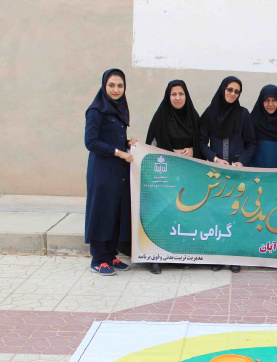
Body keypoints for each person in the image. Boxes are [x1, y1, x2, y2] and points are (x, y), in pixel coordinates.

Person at [200, 76, 256, 273]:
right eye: (230, 89)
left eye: (236, 91)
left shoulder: (243, 114)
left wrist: (242, 162)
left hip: (237, 174)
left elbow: (251, 143)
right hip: (217, 174)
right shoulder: (209, 113)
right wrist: (214, 159)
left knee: (236, 215)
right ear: (223, 89)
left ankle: (234, 257)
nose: (232, 94)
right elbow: (201, 142)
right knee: (218, 215)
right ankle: (218, 256)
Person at [145, 79, 201, 274]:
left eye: (181, 94)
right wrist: (170, 152)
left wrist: (193, 149)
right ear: (168, 97)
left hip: (186, 176)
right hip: (165, 176)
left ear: (186, 96)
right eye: (174, 94)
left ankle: (180, 255)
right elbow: (151, 145)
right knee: (163, 214)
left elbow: (202, 143)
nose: (177, 98)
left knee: (183, 214)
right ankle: (155, 257)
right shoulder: (160, 117)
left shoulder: (193, 117)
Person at [84, 68, 137, 275]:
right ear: (104, 86)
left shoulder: (119, 108)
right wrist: (118, 152)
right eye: (112, 85)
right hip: (102, 170)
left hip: (118, 170)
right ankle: (98, 259)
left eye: (120, 86)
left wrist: (127, 143)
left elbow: (112, 138)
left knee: (115, 212)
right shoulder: (96, 111)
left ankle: (110, 256)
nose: (116, 90)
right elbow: (91, 142)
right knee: (102, 211)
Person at [250, 84, 277, 168]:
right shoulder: (253, 120)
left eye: (274, 100)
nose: (270, 104)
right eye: (266, 100)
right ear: (261, 101)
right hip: (257, 169)